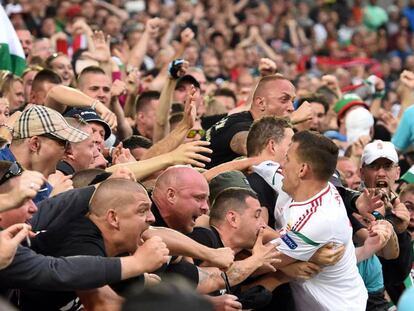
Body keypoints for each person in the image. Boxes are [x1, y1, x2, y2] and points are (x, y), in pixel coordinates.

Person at [19, 178, 168, 311]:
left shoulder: (115, 241)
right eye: (142, 211)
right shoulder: (81, 242)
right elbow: (102, 305)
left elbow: (154, 234)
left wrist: (192, 250)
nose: (152, 218)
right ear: (114, 218)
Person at [274, 130, 368, 311]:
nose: (281, 165)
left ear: (302, 169)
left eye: (287, 159)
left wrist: (286, 265)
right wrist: (292, 264)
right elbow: (260, 164)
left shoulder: (318, 221)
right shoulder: (311, 186)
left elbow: (261, 263)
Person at [205, 74, 311, 168]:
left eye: (292, 101)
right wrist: (290, 120)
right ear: (261, 103)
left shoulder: (245, 118)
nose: (292, 108)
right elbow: (251, 147)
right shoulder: (239, 125)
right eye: (284, 99)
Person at [360, 140, 413, 303]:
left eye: (387, 167)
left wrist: (401, 231)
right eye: (374, 166)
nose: (381, 173)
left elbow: (397, 275)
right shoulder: (347, 206)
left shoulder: (398, 212)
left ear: (397, 173)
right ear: (362, 173)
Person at [0, 106, 89, 203]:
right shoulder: (3, 168)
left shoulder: (44, 186)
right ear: (35, 144)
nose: (67, 154)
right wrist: (51, 204)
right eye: (64, 144)